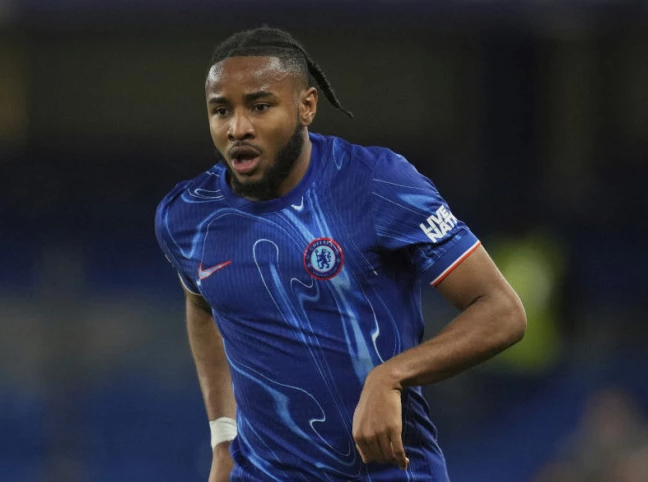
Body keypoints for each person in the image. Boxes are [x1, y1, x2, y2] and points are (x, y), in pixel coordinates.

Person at [155, 26, 527, 481]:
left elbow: (502, 311)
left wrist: (392, 375)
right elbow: (201, 304)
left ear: (306, 106)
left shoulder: (377, 183)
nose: (238, 128)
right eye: (221, 111)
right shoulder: (187, 215)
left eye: (260, 106)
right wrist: (223, 437)